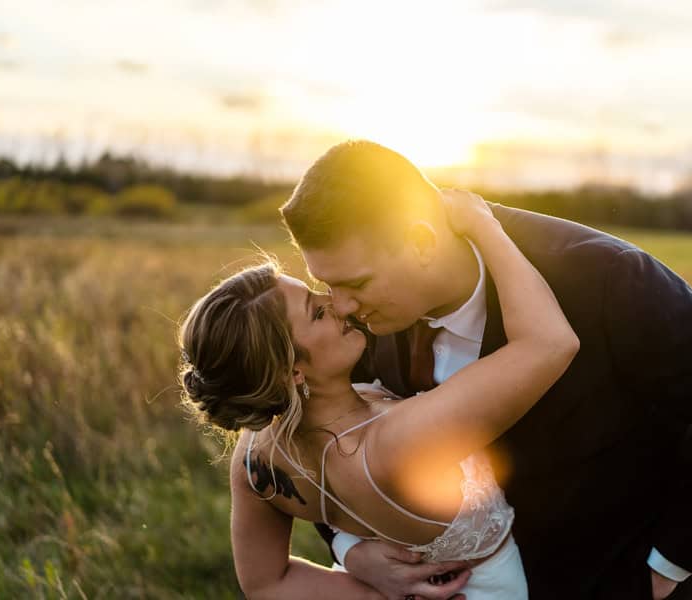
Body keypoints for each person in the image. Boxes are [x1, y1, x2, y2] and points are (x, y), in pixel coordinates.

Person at [279, 140, 692, 599]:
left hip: (606, 577)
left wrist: (667, 568)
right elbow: (319, 429)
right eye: (326, 284)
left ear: (420, 242)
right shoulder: (351, 322)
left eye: (356, 284)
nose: (338, 306)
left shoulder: (604, 280)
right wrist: (351, 549)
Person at [178, 190, 580, 599]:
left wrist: (372, 593)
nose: (336, 303)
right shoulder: (398, 440)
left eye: (316, 292)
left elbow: (266, 583)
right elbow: (549, 344)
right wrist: (485, 226)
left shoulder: (256, 456)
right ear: (292, 370)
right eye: (316, 312)